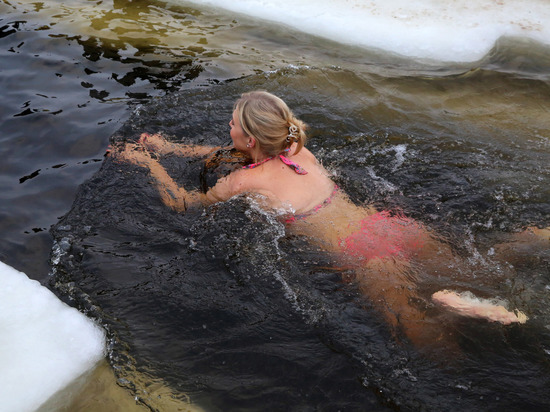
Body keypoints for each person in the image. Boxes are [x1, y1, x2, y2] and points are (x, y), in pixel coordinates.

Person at [115, 91, 531, 347]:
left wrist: (147, 163)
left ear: (250, 139)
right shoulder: (298, 151)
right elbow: (226, 149)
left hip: (364, 255)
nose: (227, 127)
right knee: (489, 267)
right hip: (391, 226)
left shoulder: (241, 182)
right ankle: (532, 239)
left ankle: (448, 312)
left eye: (233, 123)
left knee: (422, 338)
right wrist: (169, 147)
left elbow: (182, 203)